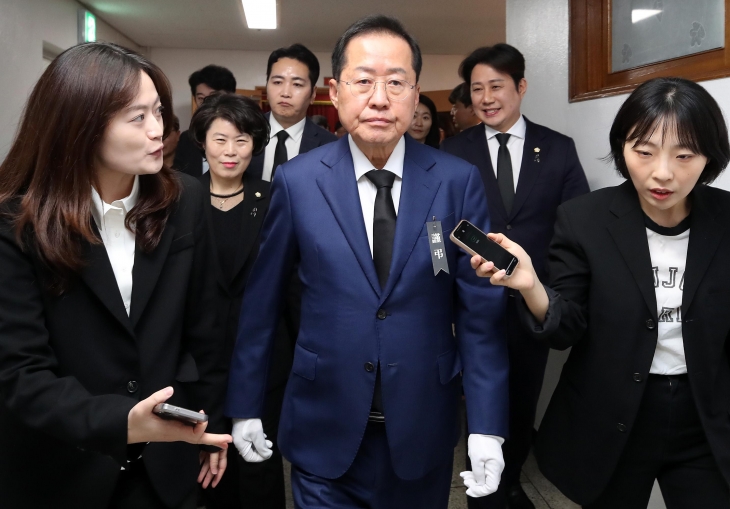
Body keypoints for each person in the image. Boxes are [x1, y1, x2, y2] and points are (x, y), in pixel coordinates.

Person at [225, 15, 509, 509]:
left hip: (422, 423)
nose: (380, 98)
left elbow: (479, 314)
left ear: (416, 94)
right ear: (336, 93)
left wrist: (486, 426)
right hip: (323, 422)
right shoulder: (298, 181)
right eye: (363, 81)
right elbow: (261, 304)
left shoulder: (457, 181)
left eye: (396, 83)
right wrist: (245, 405)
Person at [471, 76, 730, 508]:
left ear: (710, 156)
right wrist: (531, 285)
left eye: (684, 155)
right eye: (644, 152)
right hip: (612, 415)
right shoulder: (585, 219)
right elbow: (567, 328)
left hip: (705, 417)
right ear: (622, 147)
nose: (662, 172)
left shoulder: (725, 219)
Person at [0, 42, 231, 509]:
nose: (158, 130)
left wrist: (208, 422)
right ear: (80, 127)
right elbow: (19, 373)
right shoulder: (15, 222)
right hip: (63, 466)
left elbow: (207, 332)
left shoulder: (185, 200)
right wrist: (123, 421)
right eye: (137, 117)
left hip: (167, 464)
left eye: (158, 112)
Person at [441, 43, 589, 509]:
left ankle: (510, 481)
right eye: (476, 89)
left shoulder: (558, 149)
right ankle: (480, 487)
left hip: (531, 301)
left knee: (524, 395)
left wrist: (555, 288)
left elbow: (576, 226)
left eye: (496, 86)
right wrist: (439, 287)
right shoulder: (453, 150)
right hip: (471, 299)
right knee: (477, 392)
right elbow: (433, 228)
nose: (486, 98)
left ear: (520, 86)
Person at [189, 92, 294, 509]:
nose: (230, 151)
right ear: (202, 141)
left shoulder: (273, 198)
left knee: (259, 470)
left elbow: (289, 283)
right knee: (203, 470)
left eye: (241, 140)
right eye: (220, 139)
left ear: (256, 144)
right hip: (197, 360)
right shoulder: (180, 198)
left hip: (263, 358)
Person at [248, 43, 337, 181]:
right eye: (277, 82)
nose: (285, 93)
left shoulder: (330, 146)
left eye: (297, 84)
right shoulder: (246, 132)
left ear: (313, 94)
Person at [174, 65, 237, 177]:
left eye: (213, 97)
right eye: (201, 98)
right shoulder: (187, 139)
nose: (206, 104)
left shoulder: (244, 138)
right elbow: (180, 178)